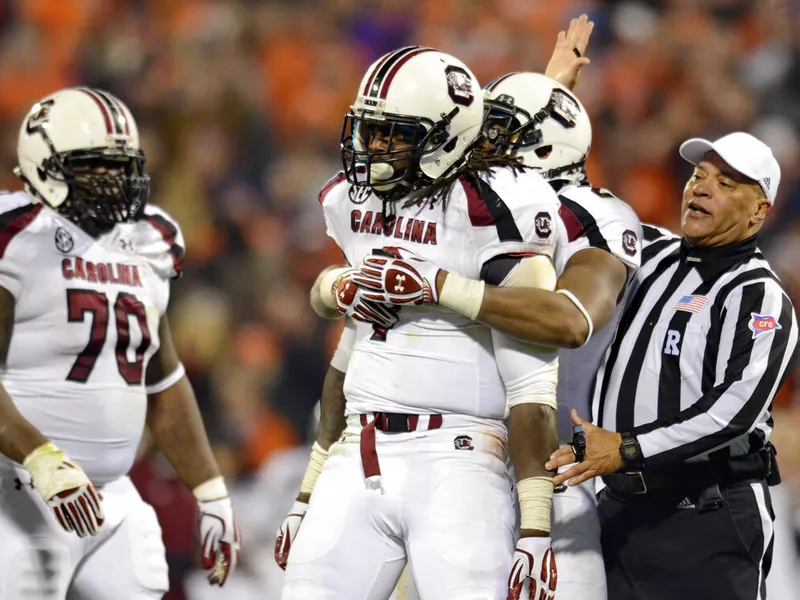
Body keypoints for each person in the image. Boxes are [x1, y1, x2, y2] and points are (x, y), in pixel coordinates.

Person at [278, 46, 563, 600]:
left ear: (448, 134)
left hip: (458, 461)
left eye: (396, 134)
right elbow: (346, 345)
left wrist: (536, 525)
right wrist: (308, 490)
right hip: (357, 456)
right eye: (371, 131)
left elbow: (532, 372)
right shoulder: (353, 200)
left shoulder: (492, 208)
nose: (375, 148)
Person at [0, 87, 239, 599]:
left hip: (113, 496)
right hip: (16, 487)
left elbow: (164, 376)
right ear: (45, 164)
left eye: (123, 165)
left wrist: (210, 490)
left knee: (144, 582)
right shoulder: (14, 237)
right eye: (95, 166)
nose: (115, 180)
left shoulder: (150, 239)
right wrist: (41, 459)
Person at [545, 131, 798, 599]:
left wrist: (625, 448)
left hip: (707, 518)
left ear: (759, 211)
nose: (700, 188)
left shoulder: (758, 295)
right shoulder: (650, 255)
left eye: (725, 184)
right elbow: (569, 202)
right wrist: (555, 97)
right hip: (621, 508)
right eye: (699, 176)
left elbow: (732, 412)